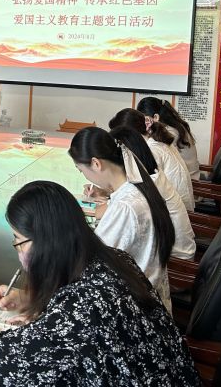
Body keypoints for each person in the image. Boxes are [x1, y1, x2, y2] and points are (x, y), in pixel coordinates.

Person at [0, 181, 200, 387]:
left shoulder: (82, 308)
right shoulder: (115, 259)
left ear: (46, 242)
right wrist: (35, 301)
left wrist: (38, 328)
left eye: (18, 240)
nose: (18, 247)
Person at [68, 126, 176, 311]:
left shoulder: (125, 207)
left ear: (96, 163)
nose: (84, 176)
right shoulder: (138, 186)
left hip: (138, 308)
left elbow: (93, 264)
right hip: (150, 296)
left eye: (81, 170)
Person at [110, 126, 195, 261]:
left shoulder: (142, 185)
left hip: (175, 260)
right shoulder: (152, 174)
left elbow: (112, 215)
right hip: (177, 249)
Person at [109, 108, 195, 212]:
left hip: (175, 212)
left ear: (130, 136)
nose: (123, 146)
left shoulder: (151, 150)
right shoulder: (156, 141)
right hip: (180, 206)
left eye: (121, 141)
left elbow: (141, 191)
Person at [137, 96, 200, 179]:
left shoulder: (168, 132)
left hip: (188, 180)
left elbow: (154, 159)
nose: (145, 124)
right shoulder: (175, 126)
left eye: (145, 120)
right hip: (187, 175)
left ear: (155, 117)